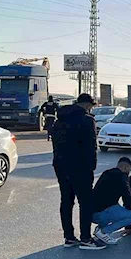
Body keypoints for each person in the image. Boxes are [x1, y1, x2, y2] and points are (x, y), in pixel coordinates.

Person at [51, 93, 105, 250]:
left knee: (66, 200)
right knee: (85, 202)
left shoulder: (59, 119)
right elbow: (91, 146)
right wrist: (92, 167)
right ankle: (86, 239)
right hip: (80, 166)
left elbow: (55, 142)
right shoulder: (87, 120)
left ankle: (69, 237)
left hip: (60, 164)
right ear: (88, 105)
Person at [91, 157, 131, 245]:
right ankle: (104, 232)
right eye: (129, 169)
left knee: (116, 206)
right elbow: (127, 194)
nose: (129, 172)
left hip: (92, 213)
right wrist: (130, 206)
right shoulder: (122, 176)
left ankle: (100, 229)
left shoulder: (106, 173)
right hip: (103, 213)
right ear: (125, 167)